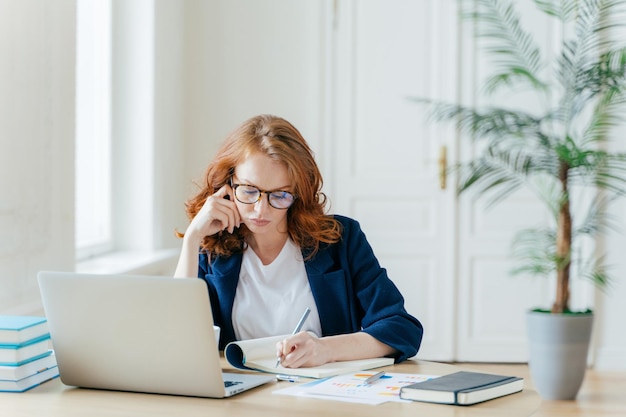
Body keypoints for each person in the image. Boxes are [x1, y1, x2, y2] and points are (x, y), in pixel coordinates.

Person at [175, 114, 423, 368]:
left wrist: (326, 349)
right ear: (228, 184)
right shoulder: (213, 247)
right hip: (243, 395)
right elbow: (178, 339)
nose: (261, 210)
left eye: (280, 195)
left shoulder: (341, 240)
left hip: (321, 398)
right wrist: (193, 238)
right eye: (249, 191)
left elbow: (402, 329)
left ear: (299, 193)